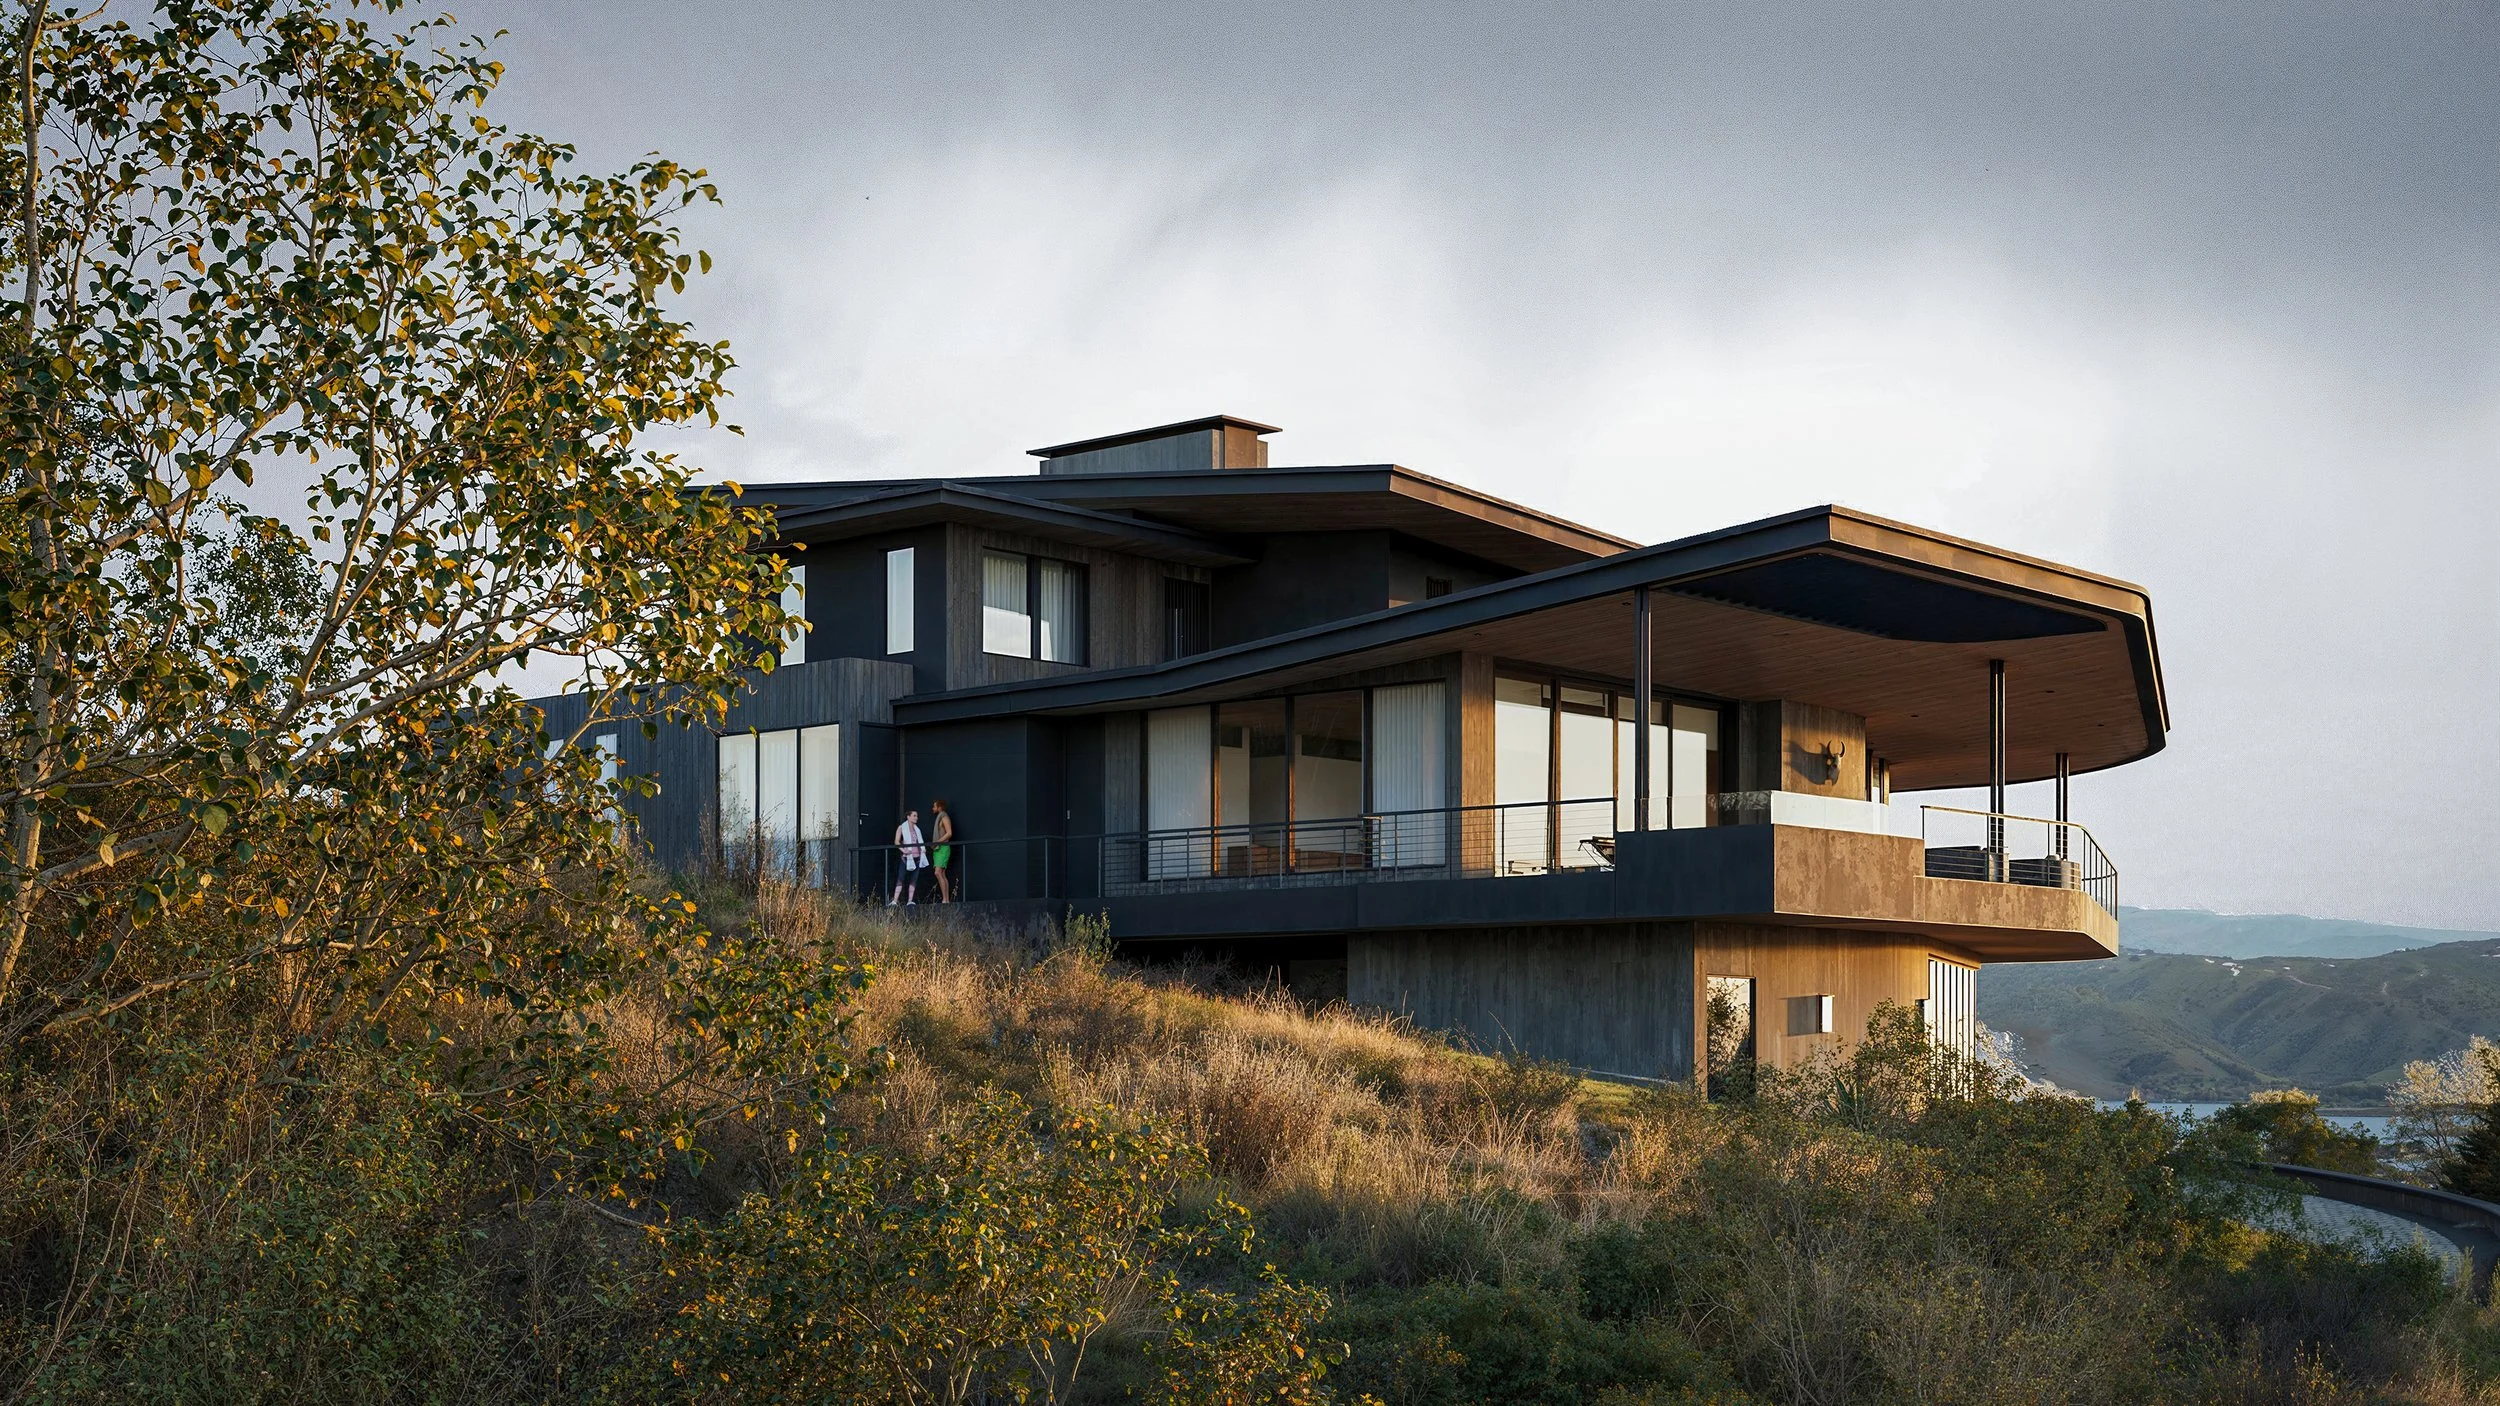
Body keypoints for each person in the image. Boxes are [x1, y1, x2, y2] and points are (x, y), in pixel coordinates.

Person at [889, 809, 928, 906]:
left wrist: (923, 850)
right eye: (914, 816)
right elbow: (897, 842)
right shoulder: (902, 827)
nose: (916, 818)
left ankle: (910, 900)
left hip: (917, 857)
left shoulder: (917, 829)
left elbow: (919, 841)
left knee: (914, 879)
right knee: (901, 877)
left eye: (917, 816)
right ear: (908, 817)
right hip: (906, 856)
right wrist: (904, 850)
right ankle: (894, 900)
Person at [928, 799, 955, 903]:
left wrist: (936, 842)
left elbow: (949, 833)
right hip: (938, 849)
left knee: (938, 872)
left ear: (940, 807)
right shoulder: (939, 817)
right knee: (942, 873)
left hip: (943, 848)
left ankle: (945, 899)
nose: (933, 808)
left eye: (934, 806)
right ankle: (946, 899)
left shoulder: (944, 817)